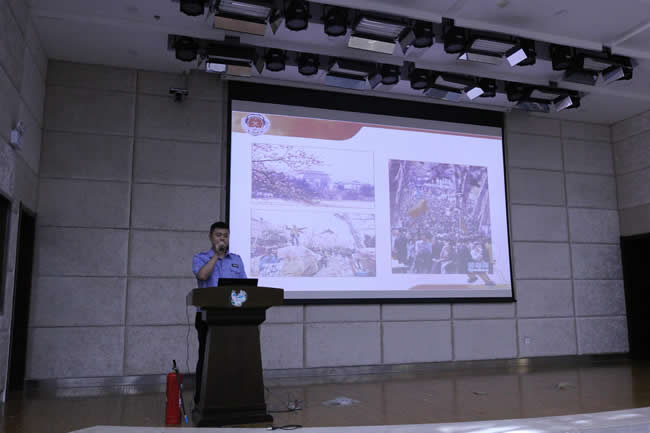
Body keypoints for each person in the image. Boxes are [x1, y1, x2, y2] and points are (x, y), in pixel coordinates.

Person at [191, 221, 247, 406]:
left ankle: (230, 398)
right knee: (207, 357)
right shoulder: (201, 257)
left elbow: (245, 287)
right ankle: (202, 400)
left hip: (232, 316)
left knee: (232, 358)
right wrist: (216, 255)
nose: (222, 238)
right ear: (210, 237)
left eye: (225, 235)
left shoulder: (236, 260)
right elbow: (202, 276)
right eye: (218, 235)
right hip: (207, 316)